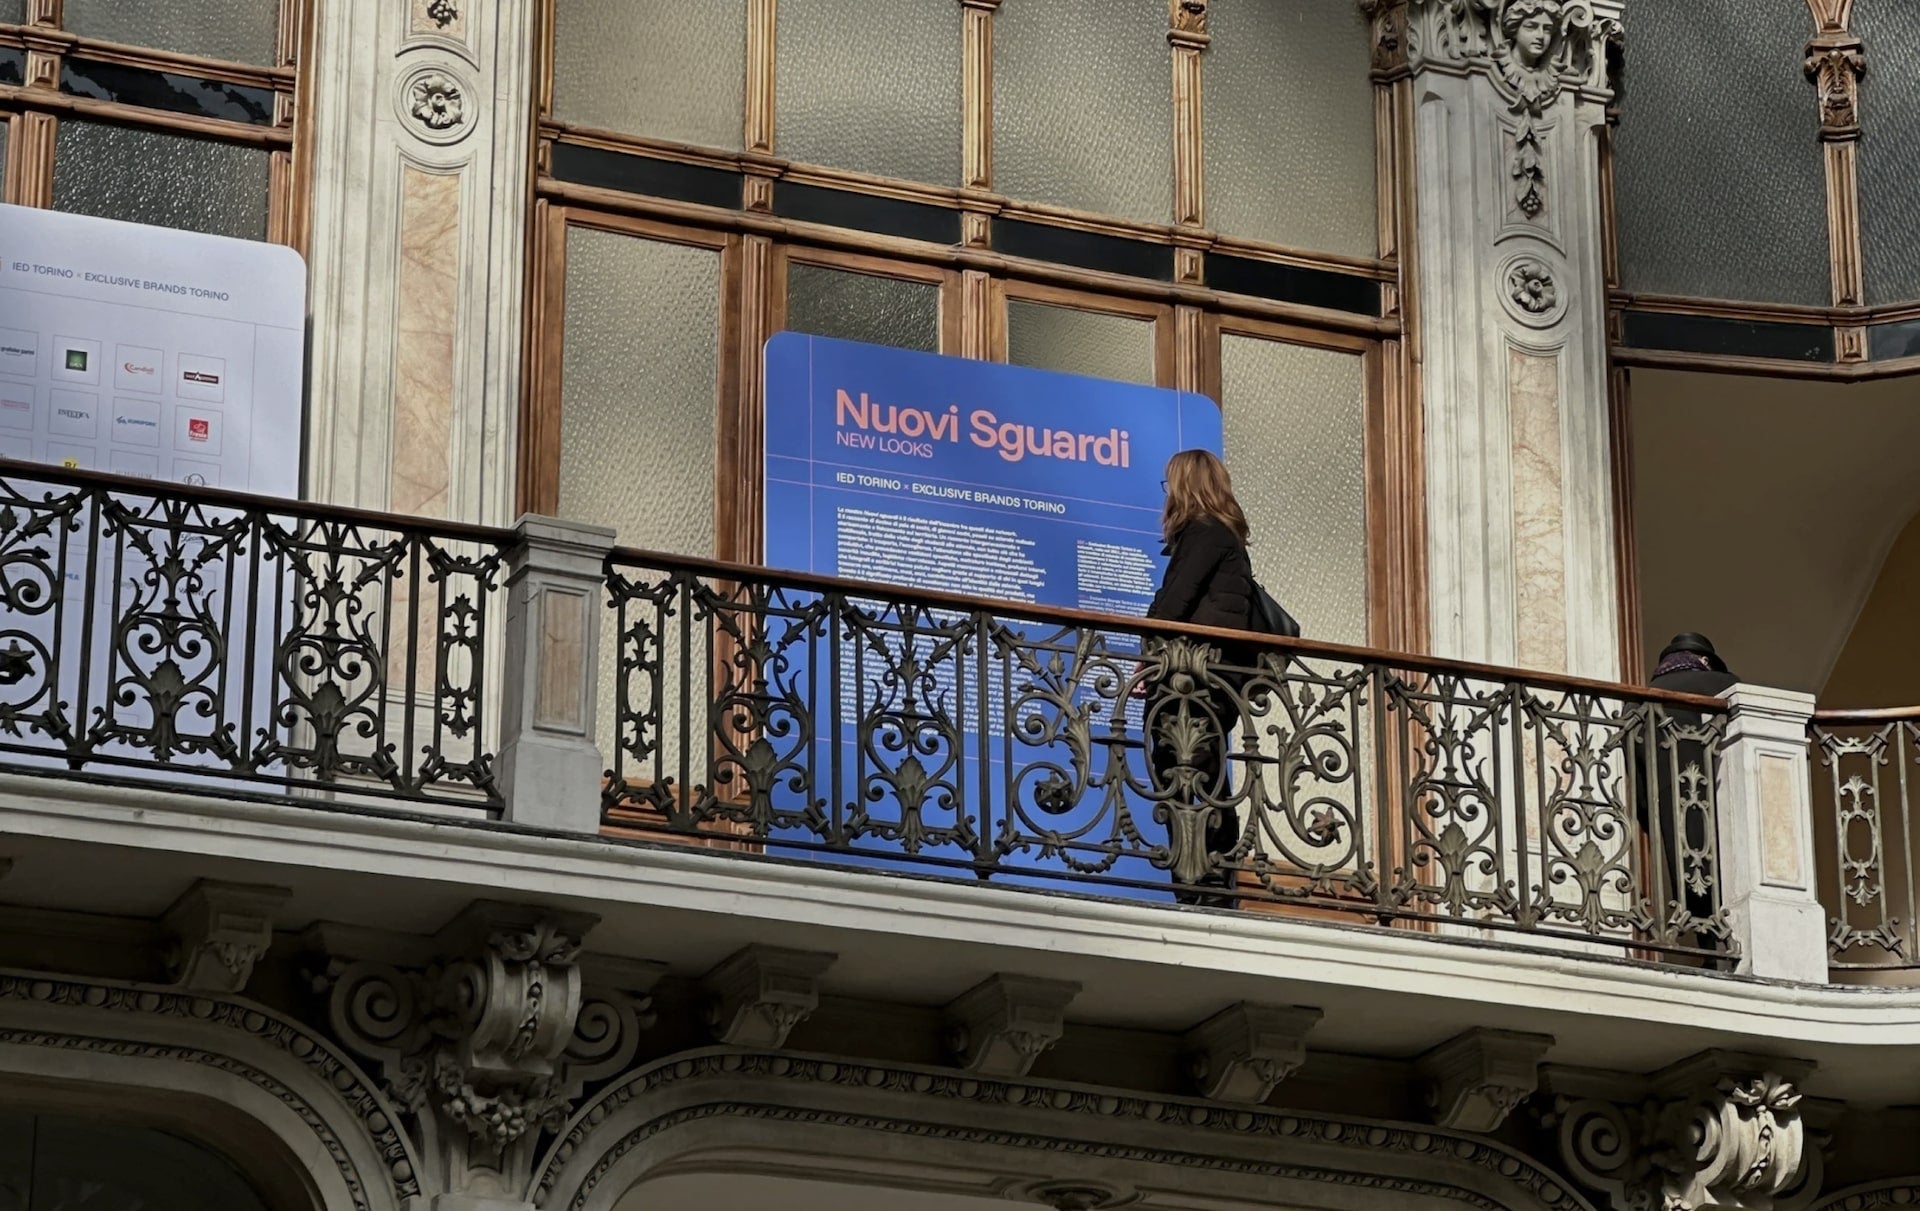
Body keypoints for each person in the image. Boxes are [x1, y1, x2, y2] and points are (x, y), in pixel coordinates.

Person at [1144, 449, 1254, 905]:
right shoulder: (1222, 537)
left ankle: (1202, 888)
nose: (1167, 498)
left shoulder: (1204, 533)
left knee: (1189, 778)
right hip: (1210, 680)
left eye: (1171, 486)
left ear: (1185, 487)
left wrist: (1147, 647)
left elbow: (1173, 606)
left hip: (1194, 682)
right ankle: (1209, 884)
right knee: (1204, 778)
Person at [1643, 633, 1739, 951]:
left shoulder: (1642, 700)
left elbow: (1639, 778)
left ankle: (1705, 943)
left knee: (1690, 876)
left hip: (1670, 801)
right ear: (1705, 661)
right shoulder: (1724, 685)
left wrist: (1649, 817)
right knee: (1723, 873)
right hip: (1717, 793)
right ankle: (1725, 941)